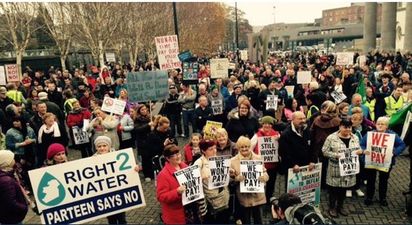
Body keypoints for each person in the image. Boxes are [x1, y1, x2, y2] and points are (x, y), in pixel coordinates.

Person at [360, 116, 406, 206]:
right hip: (371, 161)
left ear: (386, 126)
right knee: (370, 180)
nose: (380, 126)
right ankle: (369, 197)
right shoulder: (370, 134)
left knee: (383, 180)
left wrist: (394, 152)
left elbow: (402, 144)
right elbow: (362, 144)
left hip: (386, 162)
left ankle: (382, 198)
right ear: (375, 125)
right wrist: (364, 150)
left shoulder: (392, 135)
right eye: (378, 124)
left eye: (382, 124)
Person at [322, 119, 363, 218]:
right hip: (335, 169)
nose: (347, 129)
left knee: (343, 190)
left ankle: (340, 207)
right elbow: (324, 151)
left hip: (348, 170)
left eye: (349, 127)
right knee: (333, 190)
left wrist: (360, 152)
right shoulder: (331, 138)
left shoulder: (355, 137)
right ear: (340, 127)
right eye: (345, 127)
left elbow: (358, 149)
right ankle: (332, 208)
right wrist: (336, 156)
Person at [230, 136, 269, 224]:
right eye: (242, 147)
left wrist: (264, 177)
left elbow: (265, 173)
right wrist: (237, 178)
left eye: (246, 146)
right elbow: (231, 179)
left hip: (258, 196)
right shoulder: (233, 161)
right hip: (244, 197)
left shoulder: (258, 158)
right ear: (238, 148)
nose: (244, 149)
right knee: (246, 220)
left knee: (258, 220)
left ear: (250, 146)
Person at [194, 139, 230, 224]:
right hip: (212, 202)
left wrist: (229, 171)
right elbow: (193, 182)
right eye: (211, 149)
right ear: (203, 151)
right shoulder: (199, 163)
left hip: (224, 198)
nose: (214, 151)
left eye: (215, 148)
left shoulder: (218, 159)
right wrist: (201, 177)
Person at [279, 111, 315, 189]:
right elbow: (284, 153)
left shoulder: (307, 131)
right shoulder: (286, 134)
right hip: (293, 168)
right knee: (292, 190)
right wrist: (293, 164)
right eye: (300, 119)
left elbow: (312, 147)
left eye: (304, 118)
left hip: (307, 166)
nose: (303, 121)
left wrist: (312, 160)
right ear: (293, 120)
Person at [310, 101, 341, 189]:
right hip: (323, 146)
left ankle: (325, 182)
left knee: (326, 165)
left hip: (322, 145)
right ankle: (326, 183)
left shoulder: (318, 119)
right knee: (326, 165)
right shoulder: (337, 120)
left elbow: (312, 132)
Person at [250, 115, 280, 202]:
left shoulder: (277, 135)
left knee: (271, 183)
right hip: (261, 166)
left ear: (272, 125)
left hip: (273, 165)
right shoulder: (256, 136)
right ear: (262, 124)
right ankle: (260, 199)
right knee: (261, 183)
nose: (267, 125)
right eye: (265, 123)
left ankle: (269, 198)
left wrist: (279, 140)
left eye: (269, 124)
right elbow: (250, 149)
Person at [156, 144, 187, 224]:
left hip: (188, 212)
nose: (178, 156)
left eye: (178, 153)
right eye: (174, 155)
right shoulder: (163, 175)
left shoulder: (184, 166)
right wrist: (176, 192)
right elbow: (161, 196)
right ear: (167, 158)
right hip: (175, 215)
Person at [0, 150, 29, 224]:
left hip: (7, 217)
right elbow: (11, 202)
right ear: (6, 162)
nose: (14, 160)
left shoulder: (5, 175)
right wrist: (24, 208)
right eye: (12, 158)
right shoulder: (6, 180)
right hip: (12, 219)